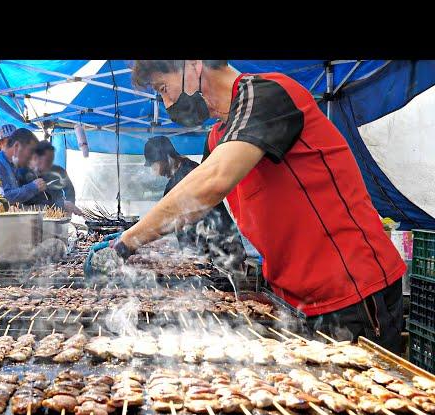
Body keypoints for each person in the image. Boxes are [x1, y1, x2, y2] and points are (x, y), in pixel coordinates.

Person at [86, 60, 407, 354]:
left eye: (163, 89)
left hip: (353, 293)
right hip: (293, 300)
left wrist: (126, 242)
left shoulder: (268, 93)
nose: (167, 104)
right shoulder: (217, 137)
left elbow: (211, 182)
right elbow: (191, 202)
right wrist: (137, 236)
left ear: (193, 64)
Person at [143, 135, 244, 263]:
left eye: (154, 165)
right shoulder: (184, 172)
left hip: (221, 249)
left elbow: (173, 219)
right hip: (206, 250)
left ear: (165, 158)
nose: (155, 172)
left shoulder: (189, 174)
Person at [0, 124, 44, 203]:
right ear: (1, 144)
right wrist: (32, 187)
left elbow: (18, 191)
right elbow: (3, 198)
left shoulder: (13, 164)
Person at [19, 140, 83, 216]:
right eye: (47, 160)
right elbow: (29, 201)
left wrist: (69, 208)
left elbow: (70, 190)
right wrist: (60, 205)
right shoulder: (24, 174)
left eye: (51, 160)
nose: (50, 164)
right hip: (34, 216)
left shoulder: (59, 171)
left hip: (59, 215)